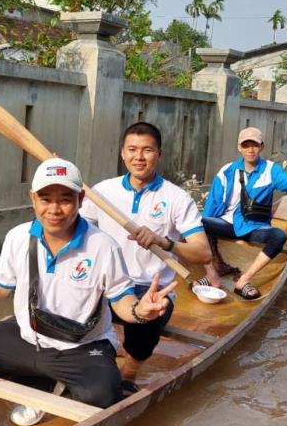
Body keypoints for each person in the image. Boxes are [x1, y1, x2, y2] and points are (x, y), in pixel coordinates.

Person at [0, 157, 174, 426]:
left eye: (65, 199)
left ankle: (47, 384)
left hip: (81, 347)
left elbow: (122, 301)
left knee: (102, 395)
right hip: (30, 339)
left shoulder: (102, 246)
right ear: (33, 199)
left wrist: (141, 310)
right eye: (45, 198)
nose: (54, 209)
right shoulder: (19, 237)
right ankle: (42, 381)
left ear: (80, 199)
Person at [81, 122, 212, 391]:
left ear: (159, 155)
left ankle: (130, 372)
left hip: (152, 288)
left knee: (148, 313)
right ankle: (88, 358)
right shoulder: (102, 191)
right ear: (122, 153)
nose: (138, 157)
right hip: (108, 284)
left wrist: (164, 241)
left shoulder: (176, 198)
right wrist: (65, 182)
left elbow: (202, 252)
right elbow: (75, 230)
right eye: (132, 149)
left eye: (147, 150)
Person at [197, 127, 287, 300]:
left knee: (278, 236)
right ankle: (215, 270)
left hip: (255, 226)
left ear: (261, 146)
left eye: (254, 145)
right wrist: (202, 225)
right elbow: (213, 203)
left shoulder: (270, 169)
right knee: (197, 223)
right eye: (246, 145)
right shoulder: (227, 171)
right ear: (239, 147)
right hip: (227, 223)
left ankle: (244, 279)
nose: (250, 150)